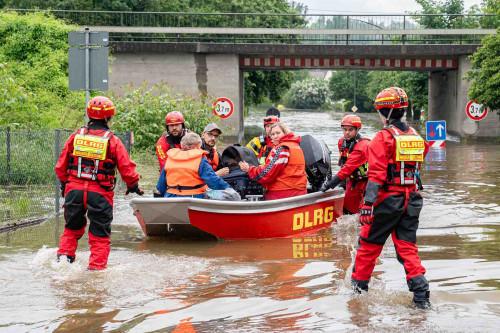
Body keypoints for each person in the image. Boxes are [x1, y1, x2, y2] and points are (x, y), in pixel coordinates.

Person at [351, 87, 431, 309]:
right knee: (407, 247)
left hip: (388, 200)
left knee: (368, 245)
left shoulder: (382, 138)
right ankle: (422, 297)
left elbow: (376, 175)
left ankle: (357, 296)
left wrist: (367, 205)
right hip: (412, 199)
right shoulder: (416, 136)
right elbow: (417, 166)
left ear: (384, 112)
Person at [55, 96, 143, 270]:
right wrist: (133, 186)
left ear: (88, 114)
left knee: (72, 229)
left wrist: (66, 184)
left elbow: (60, 166)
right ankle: (95, 273)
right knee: (99, 235)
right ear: (109, 116)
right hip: (100, 194)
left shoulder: (75, 137)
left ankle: (62, 264)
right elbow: (126, 168)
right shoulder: (112, 141)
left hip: (74, 191)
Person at [239, 122, 307, 200]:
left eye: (278, 133)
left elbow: (266, 174)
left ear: (285, 132)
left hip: (283, 193)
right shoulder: (295, 145)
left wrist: (249, 169)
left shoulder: (282, 148)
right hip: (300, 192)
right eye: (272, 134)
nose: (275, 136)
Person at [320, 115, 370, 214]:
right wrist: (340, 183)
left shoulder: (362, 146)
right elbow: (343, 163)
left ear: (357, 130)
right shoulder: (341, 142)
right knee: (347, 209)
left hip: (365, 183)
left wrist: (329, 185)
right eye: (344, 129)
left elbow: (347, 168)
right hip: (351, 180)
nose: (346, 133)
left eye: (350, 130)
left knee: (362, 212)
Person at [156, 133, 231, 198]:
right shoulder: (200, 159)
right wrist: (228, 189)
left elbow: (160, 186)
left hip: (171, 197)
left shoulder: (170, 158)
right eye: (199, 147)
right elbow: (213, 181)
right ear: (195, 147)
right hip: (194, 198)